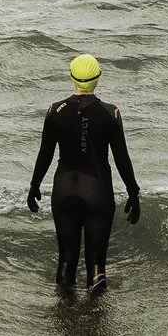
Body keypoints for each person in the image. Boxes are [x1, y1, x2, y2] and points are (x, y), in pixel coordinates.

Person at [27, 54, 140, 294]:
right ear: (97, 78)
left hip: (63, 191)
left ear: (72, 77)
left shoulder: (54, 111)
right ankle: (96, 318)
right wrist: (133, 192)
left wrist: (34, 186)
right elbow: (122, 159)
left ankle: (64, 316)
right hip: (97, 193)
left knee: (66, 259)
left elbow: (44, 155)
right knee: (96, 262)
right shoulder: (112, 114)